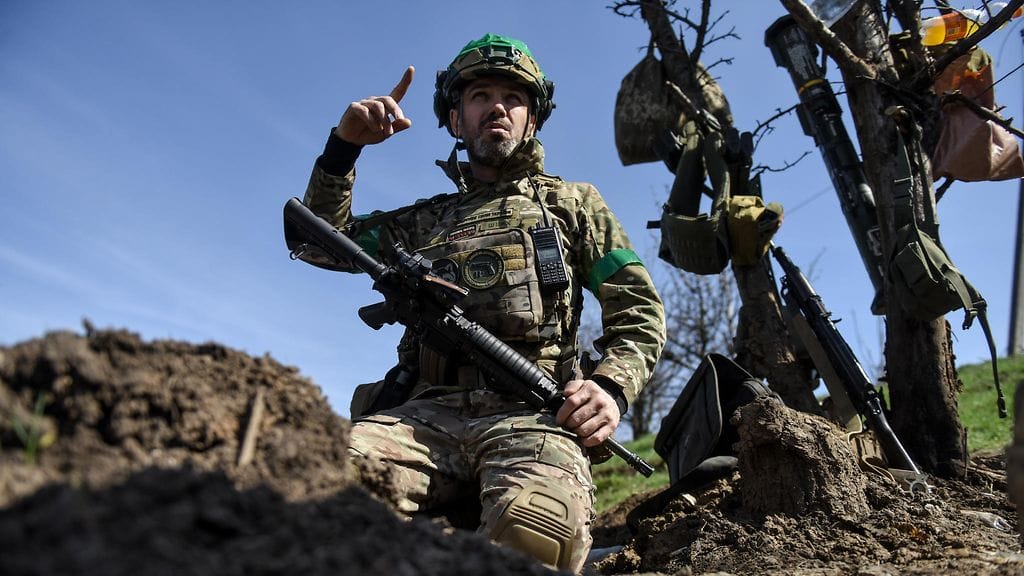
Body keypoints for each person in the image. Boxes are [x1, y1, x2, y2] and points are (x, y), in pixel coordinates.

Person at [301, 33, 666, 572]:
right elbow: (317, 242)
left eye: (513, 98)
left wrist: (610, 388)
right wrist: (343, 150)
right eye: (480, 96)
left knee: (536, 534)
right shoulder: (424, 220)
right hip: (421, 416)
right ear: (455, 119)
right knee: (311, 489)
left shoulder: (574, 204)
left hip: (536, 417)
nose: (497, 107)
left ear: (532, 120)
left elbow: (638, 309)